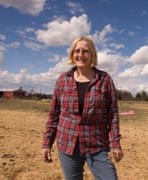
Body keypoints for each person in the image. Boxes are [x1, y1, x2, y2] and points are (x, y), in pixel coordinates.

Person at [42, 36, 123, 180]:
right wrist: (47, 143)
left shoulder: (105, 79)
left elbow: (113, 115)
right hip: (67, 143)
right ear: (72, 54)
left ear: (92, 55)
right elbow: (54, 115)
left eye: (85, 51)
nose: (80, 55)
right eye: (77, 51)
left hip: (97, 144)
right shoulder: (63, 80)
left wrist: (115, 143)